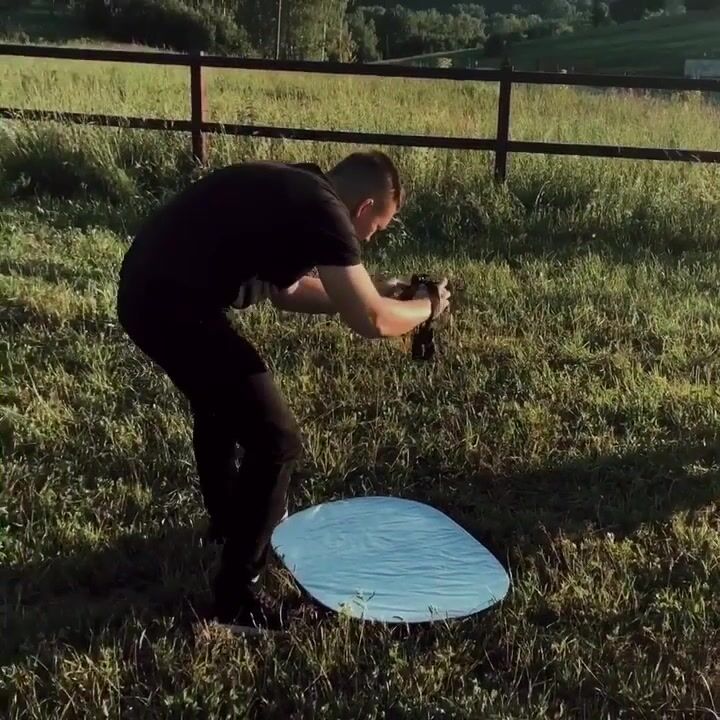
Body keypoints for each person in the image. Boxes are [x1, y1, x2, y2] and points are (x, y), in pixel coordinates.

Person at [116, 150, 451, 630]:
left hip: (149, 291)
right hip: (170, 304)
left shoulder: (302, 187)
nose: (367, 239)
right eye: (375, 229)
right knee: (276, 441)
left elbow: (287, 292)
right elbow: (372, 321)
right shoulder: (326, 213)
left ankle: (229, 524)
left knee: (221, 406)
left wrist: (368, 288)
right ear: (362, 209)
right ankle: (236, 600)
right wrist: (426, 307)